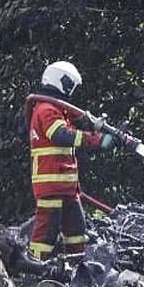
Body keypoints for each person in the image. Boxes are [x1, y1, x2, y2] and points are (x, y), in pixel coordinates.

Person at [26, 61, 116, 260]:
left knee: (77, 231)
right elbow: (62, 135)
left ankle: (76, 271)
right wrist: (98, 140)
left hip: (66, 187)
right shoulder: (46, 109)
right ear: (61, 81)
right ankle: (34, 271)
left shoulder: (57, 109)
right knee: (45, 234)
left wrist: (97, 128)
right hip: (51, 186)